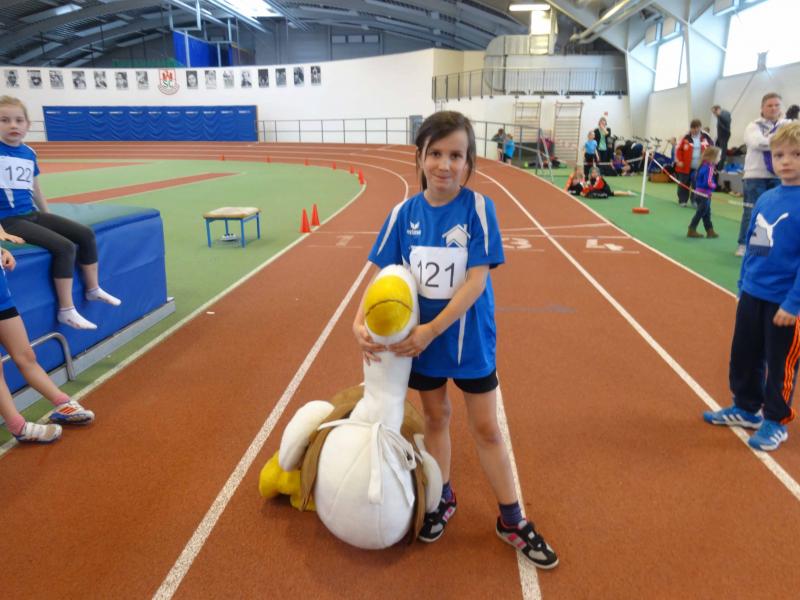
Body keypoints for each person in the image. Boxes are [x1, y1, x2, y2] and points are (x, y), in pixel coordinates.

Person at [353, 110, 558, 569]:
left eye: (456, 156)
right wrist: (357, 321)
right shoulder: (402, 214)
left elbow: (475, 282)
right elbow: (381, 275)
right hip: (420, 347)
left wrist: (430, 330)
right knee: (435, 418)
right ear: (420, 157)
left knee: (486, 429)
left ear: (469, 162)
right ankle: (443, 497)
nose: (445, 165)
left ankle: (512, 519)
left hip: (468, 344)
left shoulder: (480, 209)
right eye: (436, 154)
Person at [702, 122, 800, 452]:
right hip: (753, 294)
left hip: (785, 302)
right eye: (779, 155)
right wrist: (743, 284)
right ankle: (746, 407)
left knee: (780, 363)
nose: (786, 161)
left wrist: (793, 303)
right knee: (744, 354)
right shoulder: (767, 198)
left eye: (796, 154)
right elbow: (754, 245)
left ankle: (775, 420)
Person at [0, 96, 121, 330]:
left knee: (85, 234)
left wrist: (48, 217)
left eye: (19, 120)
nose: (13, 125)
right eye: (4, 120)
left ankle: (93, 288)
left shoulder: (28, 152)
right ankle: (66, 310)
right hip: (8, 220)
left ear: (27, 124)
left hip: (31, 214)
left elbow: (35, 187)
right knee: (64, 247)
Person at [0, 243, 96, 443]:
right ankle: (18, 426)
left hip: (3, 302)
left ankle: (62, 403)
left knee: (26, 356)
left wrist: (2, 251)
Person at [735, 92, 788, 257]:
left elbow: (792, 142)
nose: (773, 108)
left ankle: (769, 246)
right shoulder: (753, 126)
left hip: (779, 176)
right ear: (762, 108)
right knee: (751, 211)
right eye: (769, 105)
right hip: (755, 176)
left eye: (777, 105)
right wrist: (780, 140)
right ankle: (743, 244)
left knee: (776, 212)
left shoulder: (787, 124)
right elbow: (757, 143)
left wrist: (772, 141)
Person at [675, 119, 713, 207]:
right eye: (693, 128)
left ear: (700, 128)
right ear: (691, 128)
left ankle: (695, 201)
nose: (695, 130)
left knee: (697, 185)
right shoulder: (685, 137)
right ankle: (682, 200)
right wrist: (679, 160)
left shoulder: (706, 137)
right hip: (685, 167)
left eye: (697, 128)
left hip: (699, 167)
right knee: (683, 184)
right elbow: (679, 150)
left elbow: (712, 148)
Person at [686, 146, 722, 239]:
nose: (720, 158)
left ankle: (710, 231)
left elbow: (694, 177)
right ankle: (691, 229)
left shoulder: (702, 165)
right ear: (713, 157)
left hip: (698, 193)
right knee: (700, 213)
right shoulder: (710, 168)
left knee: (706, 213)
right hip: (705, 195)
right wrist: (714, 186)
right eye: (719, 156)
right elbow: (708, 182)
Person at [712, 105, 732, 171]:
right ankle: (716, 167)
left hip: (724, 135)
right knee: (717, 152)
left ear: (718, 109)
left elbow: (727, 121)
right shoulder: (719, 116)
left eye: (714, 112)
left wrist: (719, 115)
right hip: (720, 136)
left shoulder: (725, 113)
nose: (714, 114)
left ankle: (719, 169)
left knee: (722, 153)